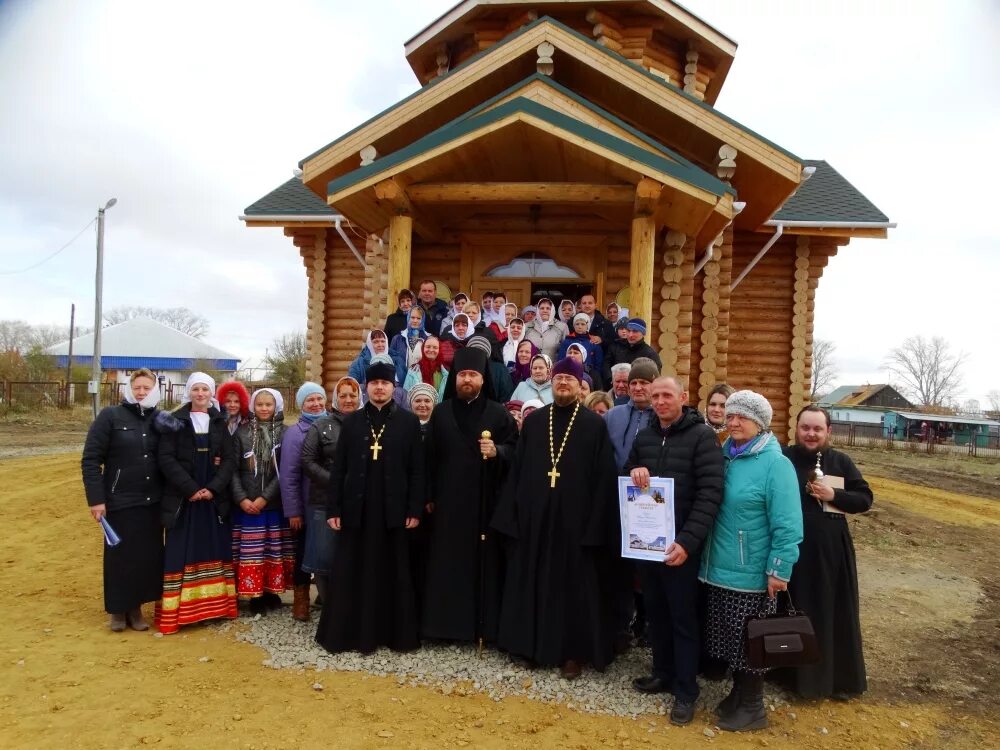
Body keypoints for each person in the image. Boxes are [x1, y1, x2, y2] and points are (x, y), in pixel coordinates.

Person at [492, 357, 623, 679]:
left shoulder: (594, 426)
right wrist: (514, 517)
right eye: (559, 378)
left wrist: (595, 527)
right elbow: (519, 472)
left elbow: (603, 480)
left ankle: (572, 653)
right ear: (551, 382)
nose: (563, 383)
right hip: (536, 521)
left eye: (570, 379)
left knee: (573, 590)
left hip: (574, 525)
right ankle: (529, 646)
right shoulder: (536, 423)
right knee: (532, 581)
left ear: (581, 386)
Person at [699, 390, 802, 732]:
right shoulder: (724, 455)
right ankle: (739, 695)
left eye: (741, 416)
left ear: (759, 423)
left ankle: (754, 706)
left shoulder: (776, 464)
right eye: (729, 416)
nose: (733, 422)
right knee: (731, 638)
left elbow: (787, 524)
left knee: (751, 641)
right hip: (719, 568)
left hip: (753, 572)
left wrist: (779, 569)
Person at [624, 377, 724, 725]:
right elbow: (627, 480)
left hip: (682, 547)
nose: (661, 401)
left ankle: (685, 691)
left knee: (683, 619)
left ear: (683, 397)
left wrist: (687, 542)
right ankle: (663, 673)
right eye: (655, 397)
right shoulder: (646, 435)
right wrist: (634, 470)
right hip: (650, 547)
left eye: (667, 395)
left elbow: (710, 494)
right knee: (656, 613)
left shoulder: (702, 437)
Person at [316, 360, 425, 654]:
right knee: (354, 569)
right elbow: (339, 470)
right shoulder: (352, 421)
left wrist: (414, 509)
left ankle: (394, 634)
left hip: (394, 511)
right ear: (367, 386)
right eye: (374, 383)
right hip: (357, 510)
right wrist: (334, 509)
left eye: (385, 383)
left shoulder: (408, 422)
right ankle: (351, 634)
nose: (379, 387)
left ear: (393, 387)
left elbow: (417, 470)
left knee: (394, 571)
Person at [421, 347, 518, 643]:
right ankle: (442, 629)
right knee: (445, 565)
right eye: (462, 374)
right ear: (455, 378)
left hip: (483, 505)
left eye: (473, 375)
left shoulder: (498, 413)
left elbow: (516, 451)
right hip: (447, 505)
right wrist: (427, 496)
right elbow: (427, 459)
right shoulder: (441, 413)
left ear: (482, 378)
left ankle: (481, 627)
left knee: (481, 566)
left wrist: (498, 451)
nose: (467, 380)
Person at [782, 406, 872, 701]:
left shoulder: (840, 461)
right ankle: (790, 677)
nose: (811, 434)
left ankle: (836, 680)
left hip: (830, 552)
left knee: (831, 613)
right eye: (805, 428)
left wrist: (835, 496)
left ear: (828, 432)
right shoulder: (783, 458)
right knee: (793, 609)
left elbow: (864, 499)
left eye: (817, 429)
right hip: (793, 550)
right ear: (797, 428)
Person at [81, 368, 165, 632]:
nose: (141, 392)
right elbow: (91, 460)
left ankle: (136, 609)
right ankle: (118, 611)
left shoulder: (161, 419)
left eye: (146, 388)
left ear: (155, 390)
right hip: (118, 501)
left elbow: (178, 452)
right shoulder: (110, 417)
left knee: (145, 557)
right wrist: (96, 500)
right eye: (137, 387)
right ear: (129, 389)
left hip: (151, 502)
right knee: (120, 557)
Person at [155, 372, 237, 634]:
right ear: (189, 392)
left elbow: (229, 459)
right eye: (196, 389)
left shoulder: (219, 421)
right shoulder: (174, 421)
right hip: (184, 497)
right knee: (181, 550)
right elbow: (166, 459)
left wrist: (213, 489)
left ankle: (213, 608)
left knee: (212, 548)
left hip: (212, 499)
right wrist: (190, 489)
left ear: (212, 393)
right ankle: (179, 613)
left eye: (205, 389)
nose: (201, 394)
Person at [231, 388, 292, 615]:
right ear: (253, 407)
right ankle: (253, 594)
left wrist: (265, 497)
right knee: (252, 552)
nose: (264, 409)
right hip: (246, 505)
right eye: (260, 405)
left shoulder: (286, 434)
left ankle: (271, 591)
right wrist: (242, 498)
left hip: (272, 504)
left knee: (272, 550)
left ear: (276, 406)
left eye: (269, 405)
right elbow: (233, 470)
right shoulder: (242, 433)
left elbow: (285, 471)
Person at [300, 377, 359, 607]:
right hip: (323, 500)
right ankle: (329, 605)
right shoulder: (322, 425)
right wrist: (335, 481)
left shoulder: (368, 423)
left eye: (352, 395)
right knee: (324, 557)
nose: (347, 400)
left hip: (357, 501)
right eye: (343, 395)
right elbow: (307, 460)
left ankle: (350, 605)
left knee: (352, 555)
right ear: (335, 398)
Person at [279, 382, 328, 621]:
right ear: (301, 404)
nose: (316, 404)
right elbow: (289, 476)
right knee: (303, 553)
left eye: (319, 399)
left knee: (328, 551)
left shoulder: (332, 425)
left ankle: (324, 594)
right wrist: (294, 511)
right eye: (311, 400)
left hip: (327, 503)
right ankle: (301, 599)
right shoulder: (295, 433)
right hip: (306, 505)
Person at [605, 358, 658, 471]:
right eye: (633, 383)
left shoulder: (662, 417)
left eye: (643, 382)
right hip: (615, 484)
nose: (638, 388)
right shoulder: (612, 416)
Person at [604, 318, 662, 384]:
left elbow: (656, 378)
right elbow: (606, 365)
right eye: (628, 331)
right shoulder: (616, 347)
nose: (630, 335)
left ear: (643, 333)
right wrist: (611, 380)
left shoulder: (650, 354)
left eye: (635, 331)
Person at [466, 335, 514, 402]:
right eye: (473, 351)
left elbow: (506, 397)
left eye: (481, 351)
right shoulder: (462, 370)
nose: (477, 354)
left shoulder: (500, 370)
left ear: (487, 353)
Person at [403, 335, 449, 402]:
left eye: (435, 347)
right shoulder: (413, 370)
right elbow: (406, 395)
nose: (431, 350)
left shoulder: (446, 372)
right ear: (423, 348)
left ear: (439, 350)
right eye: (428, 347)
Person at [389, 305, 428, 383]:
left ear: (422, 320)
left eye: (418, 318)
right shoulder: (398, 339)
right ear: (408, 318)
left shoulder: (427, 339)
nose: (415, 321)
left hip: (420, 381)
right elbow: (391, 360)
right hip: (400, 382)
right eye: (412, 317)